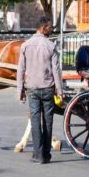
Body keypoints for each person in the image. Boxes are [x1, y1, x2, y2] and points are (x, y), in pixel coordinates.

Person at [17, 15, 62, 164]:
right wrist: (59, 91)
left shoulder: (26, 45)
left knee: (35, 121)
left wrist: (20, 91)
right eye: (50, 27)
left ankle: (38, 155)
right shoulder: (50, 46)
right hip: (48, 88)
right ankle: (46, 154)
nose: (51, 30)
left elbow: (21, 70)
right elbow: (56, 71)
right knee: (48, 121)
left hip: (32, 88)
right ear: (43, 28)